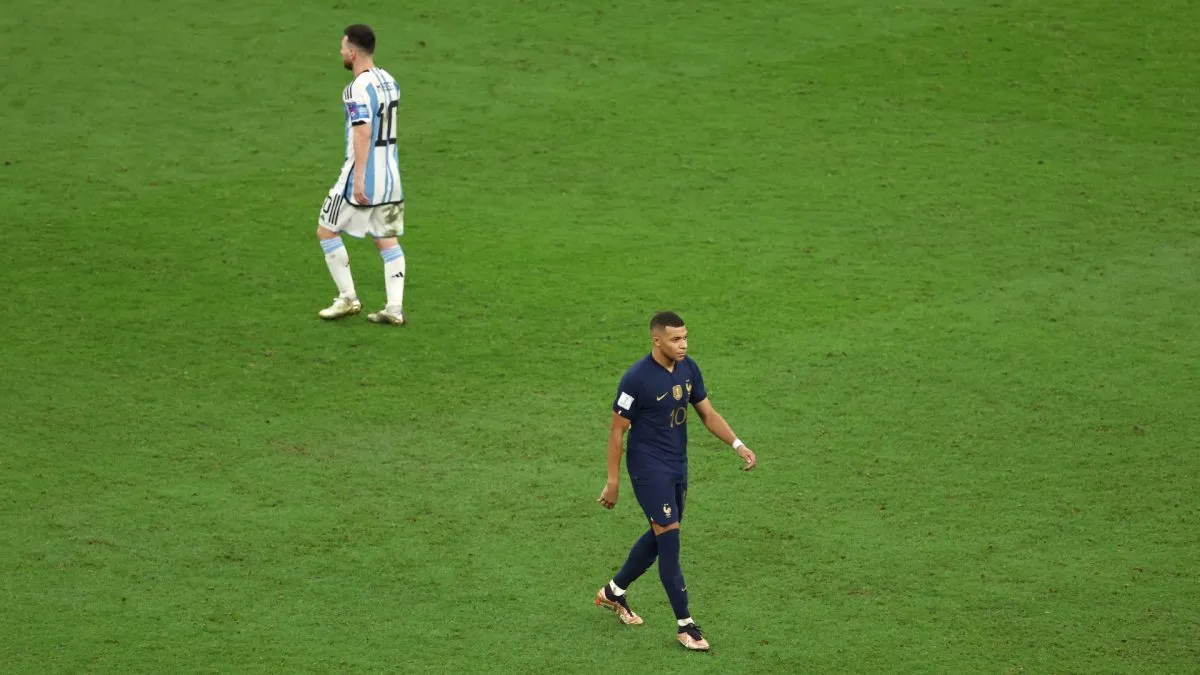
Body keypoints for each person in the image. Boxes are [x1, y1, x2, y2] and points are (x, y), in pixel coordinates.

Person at [595, 311, 758, 651]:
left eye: (685, 338)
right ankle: (686, 626)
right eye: (675, 339)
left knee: (661, 536)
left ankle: (613, 592)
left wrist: (737, 444)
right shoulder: (636, 379)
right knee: (669, 542)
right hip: (648, 469)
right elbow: (616, 431)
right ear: (657, 340)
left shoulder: (688, 368)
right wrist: (613, 481)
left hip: (677, 466)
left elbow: (708, 414)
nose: (683, 345)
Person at [315, 24, 408, 326]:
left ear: (353, 52)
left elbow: (363, 131)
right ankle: (394, 308)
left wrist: (357, 180)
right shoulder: (390, 81)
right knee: (387, 239)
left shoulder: (356, 88)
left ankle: (348, 298)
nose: (340, 52)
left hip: (363, 176)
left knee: (326, 230)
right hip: (391, 180)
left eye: (343, 47)